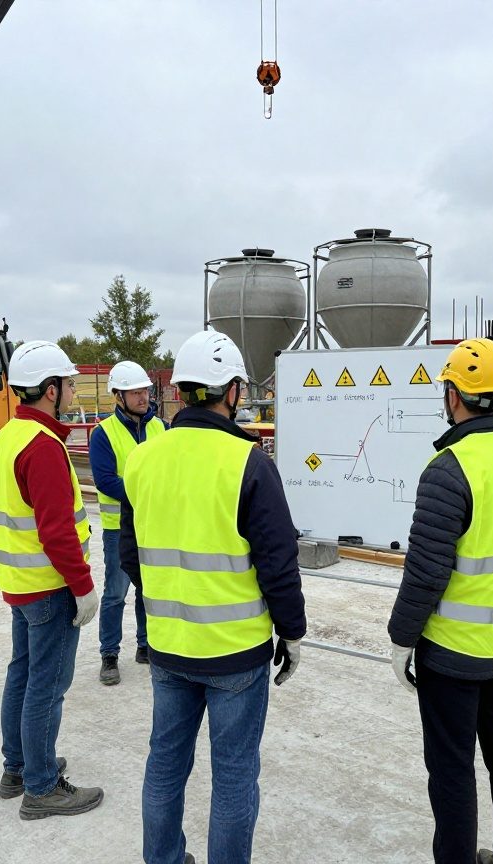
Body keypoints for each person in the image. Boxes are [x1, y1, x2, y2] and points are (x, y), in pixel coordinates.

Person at [120, 330, 306, 864]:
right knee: (233, 777)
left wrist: (164, 597)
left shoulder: (144, 459)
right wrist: (292, 632)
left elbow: (130, 554)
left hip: (168, 646)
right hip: (236, 654)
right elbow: (278, 563)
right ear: (232, 392)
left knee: (165, 764)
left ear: (179, 392)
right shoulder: (249, 463)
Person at [387, 339, 493, 864]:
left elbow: (427, 571)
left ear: (454, 394)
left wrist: (401, 637)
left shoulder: (448, 468)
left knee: (453, 767)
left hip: (452, 653)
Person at [0, 340, 103, 820]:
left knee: (22, 675)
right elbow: (56, 532)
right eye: (70, 382)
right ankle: (40, 786)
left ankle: (17, 767)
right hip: (50, 588)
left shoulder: (6, 437)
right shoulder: (44, 447)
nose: (74, 389)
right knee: (47, 687)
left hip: (18, 583)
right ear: (51, 389)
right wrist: (83, 586)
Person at [89, 360, 168, 686]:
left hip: (154, 524)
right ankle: (109, 654)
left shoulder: (160, 428)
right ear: (118, 396)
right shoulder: (103, 433)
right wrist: (147, 493)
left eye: (145, 390)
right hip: (117, 527)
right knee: (116, 592)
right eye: (135, 391)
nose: (142, 396)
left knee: (148, 587)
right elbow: (105, 480)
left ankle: (145, 645)